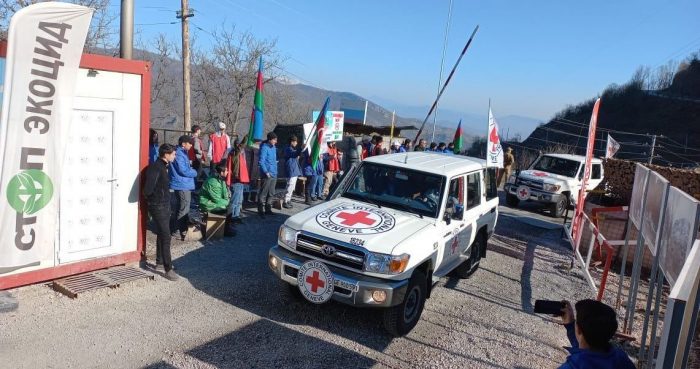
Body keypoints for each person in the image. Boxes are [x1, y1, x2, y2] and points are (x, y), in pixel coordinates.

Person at [556, 300, 635, 369]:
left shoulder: (572, 367)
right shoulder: (621, 358)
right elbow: (588, 352)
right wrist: (570, 325)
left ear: (578, 328)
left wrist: (571, 326)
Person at [143, 144, 179, 281]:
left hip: (164, 205)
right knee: (166, 236)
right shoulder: (155, 168)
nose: (175, 156)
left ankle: (159, 263)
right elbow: (147, 190)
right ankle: (168, 268)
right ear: (166, 155)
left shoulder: (163, 166)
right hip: (158, 206)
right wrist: (155, 201)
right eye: (173, 154)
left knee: (162, 234)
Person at [169, 135, 198, 240]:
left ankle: (179, 228)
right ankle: (177, 230)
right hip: (182, 184)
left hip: (182, 183)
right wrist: (194, 172)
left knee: (181, 207)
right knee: (184, 208)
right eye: (190, 143)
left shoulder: (181, 153)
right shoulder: (180, 154)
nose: (191, 145)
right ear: (183, 144)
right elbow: (183, 170)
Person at [199, 163, 236, 237]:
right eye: (226, 171)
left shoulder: (220, 178)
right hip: (207, 204)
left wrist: (227, 198)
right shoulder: (213, 182)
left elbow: (225, 192)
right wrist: (227, 202)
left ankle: (227, 227)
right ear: (221, 172)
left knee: (229, 207)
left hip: (212, 202)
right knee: (227, 209)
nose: (228, 172)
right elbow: (217, 199)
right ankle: (225, 230)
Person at [226, 138, 249, 224]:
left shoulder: (239, 154)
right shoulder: (234, 153)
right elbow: (241, 146)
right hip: (235, 180)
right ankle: (231, 218)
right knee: (234, 201)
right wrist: (247, 136)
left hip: (240, 180)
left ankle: (236, 216)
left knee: (239, 200)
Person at [258, 132, 278, 218]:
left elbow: (273, 160)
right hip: (267, 175)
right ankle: (260, 211)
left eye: (276, 140)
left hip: (274, 173)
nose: (275, 141)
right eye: (274, 140)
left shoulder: (274, 148)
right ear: (269, 140)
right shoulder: (264, 148)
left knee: (271, 193)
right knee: (263, 193)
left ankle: (268, 209)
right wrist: (266, 172)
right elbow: (261, 162)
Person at [283, 135, 302, 209]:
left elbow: (296, 153)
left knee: (292, 186)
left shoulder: (291, 148)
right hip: (291, 170)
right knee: (290, 185)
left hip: (294, 170)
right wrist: (300, 149)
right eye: (295, 142)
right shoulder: (287, 148)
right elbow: (294, 154)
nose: (296, 143)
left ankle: (289, 199)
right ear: (292, 142)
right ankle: (286, 200)